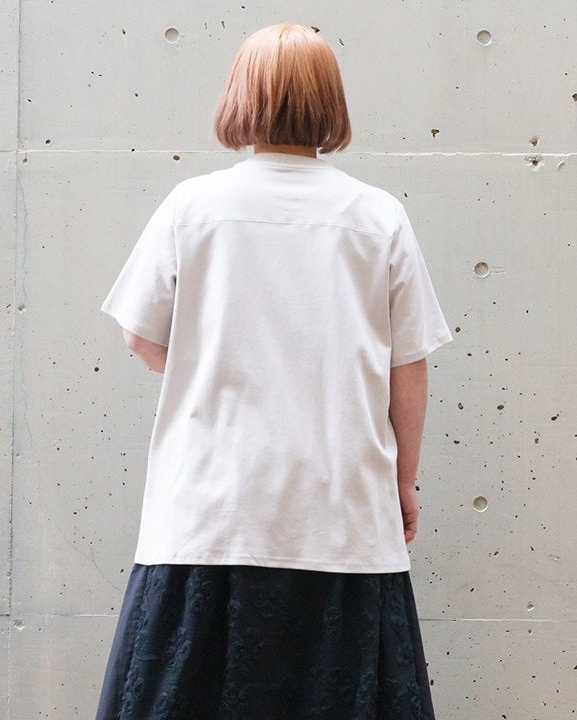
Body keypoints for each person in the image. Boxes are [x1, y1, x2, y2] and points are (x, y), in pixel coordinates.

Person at [95, 23, 452, 720]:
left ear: (240, 96)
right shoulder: (377, 216)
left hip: (208, 514)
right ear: (330, 102)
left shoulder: (192, 207)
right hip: (343, 517)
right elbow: (406, 366)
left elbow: (139, 334)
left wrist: (209, 373)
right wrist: (403, 480)